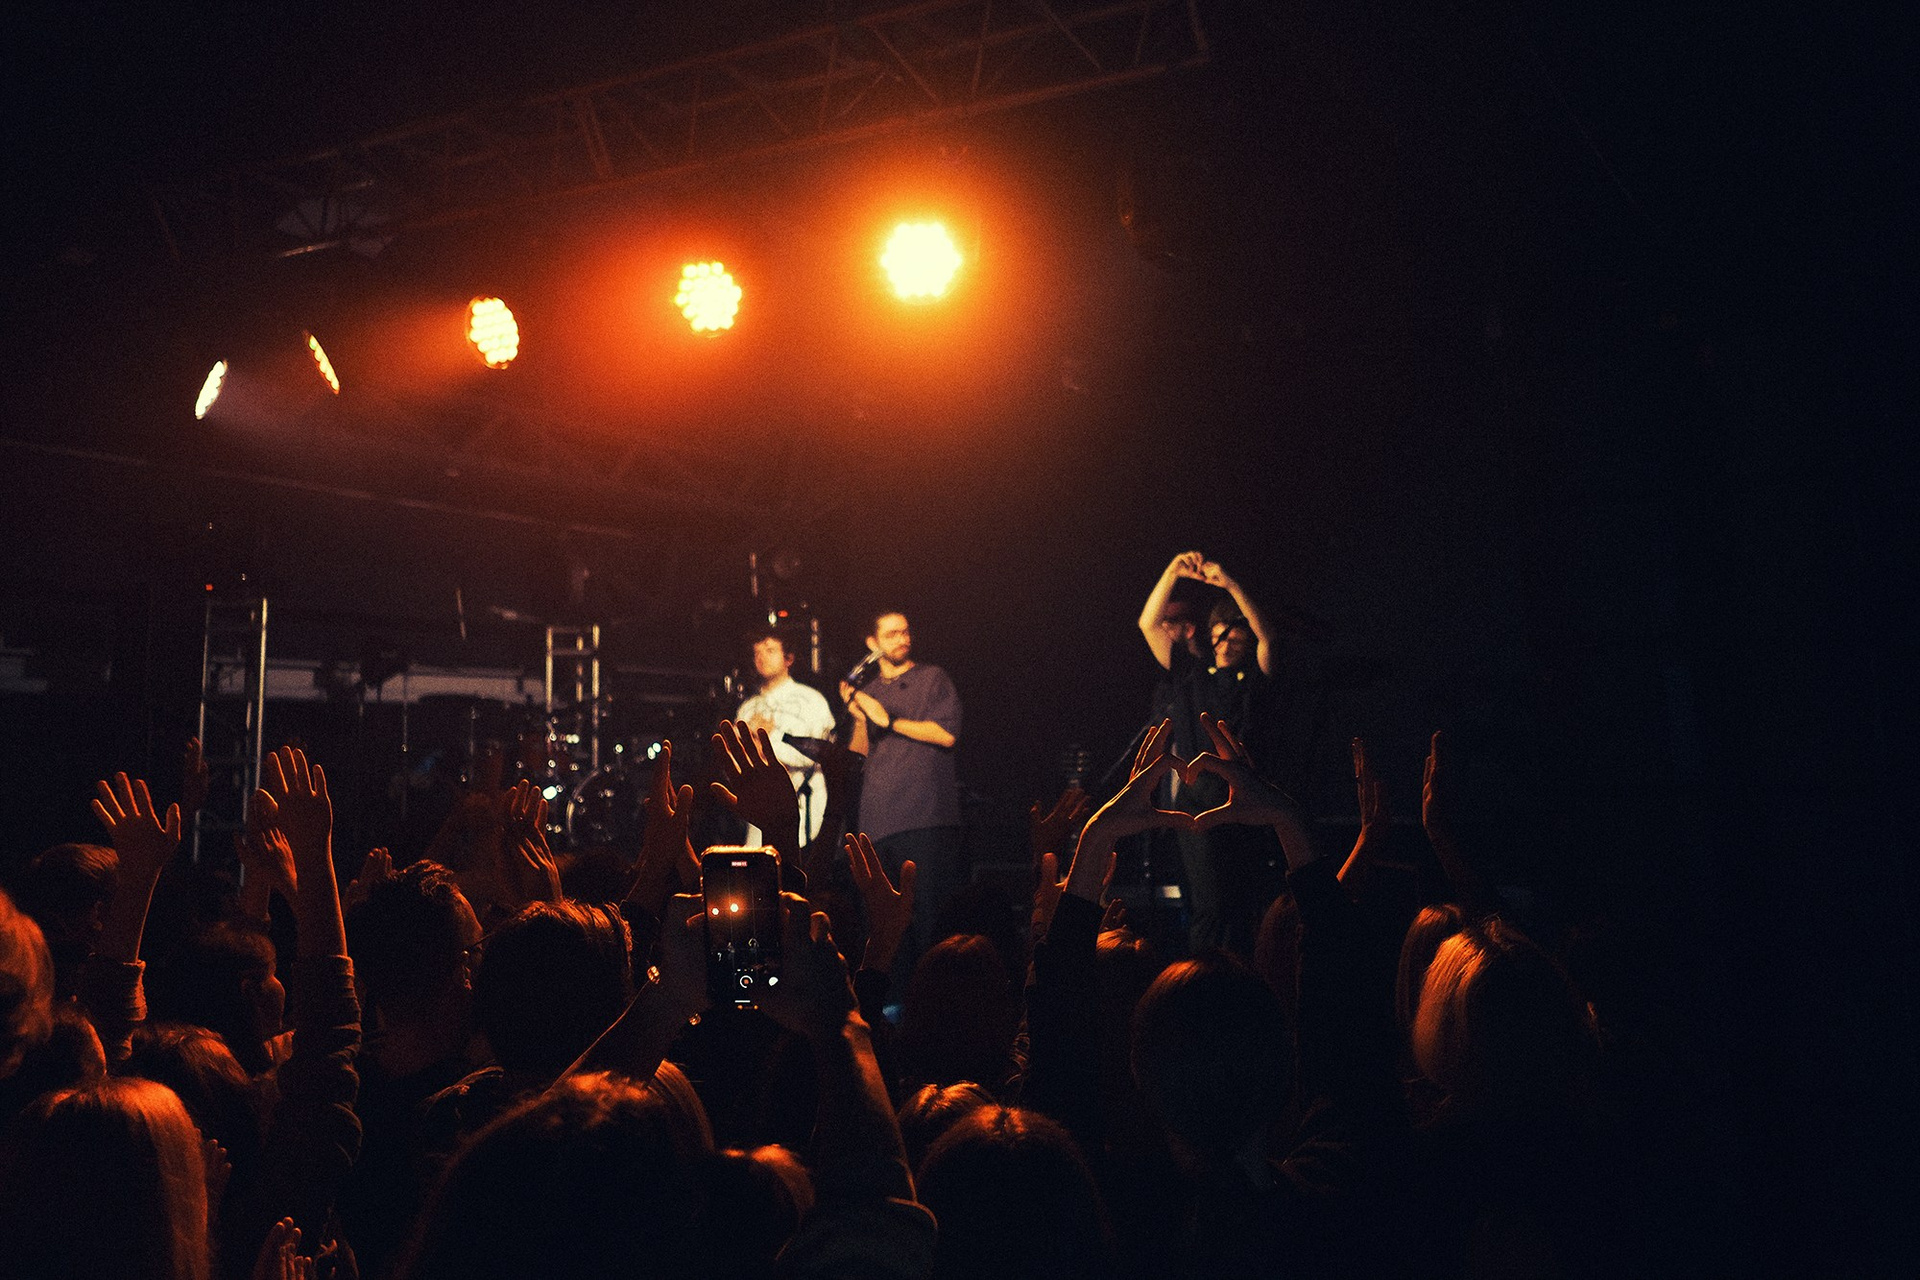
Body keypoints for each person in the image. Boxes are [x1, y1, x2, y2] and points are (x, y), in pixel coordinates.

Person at [1137, 553, 1284, 953]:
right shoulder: (1192, 673)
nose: (1226, 644)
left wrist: (1231, 584)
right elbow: (1148, 624)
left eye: (1235, 637)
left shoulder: (1254, 678)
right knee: (1209, 905)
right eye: (1220, 635)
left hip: (1244, 797)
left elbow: (1269, 638)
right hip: (1197, 800)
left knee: (1244, 903)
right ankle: (1205, 975)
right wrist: (1172, 571)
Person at [839, 611, 963, 982]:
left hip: (924, 817)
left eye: (905, 632)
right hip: (878, 822)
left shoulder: (931, 677)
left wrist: (888, 720)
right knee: (887, 927)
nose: (902, 639)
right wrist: (858, 716)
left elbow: (946, 735)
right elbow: (859, 755)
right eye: (892, 634)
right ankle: (890, 1006)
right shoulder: (870, 691)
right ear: (872, 643)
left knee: (929, 920)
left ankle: (935, 998)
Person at [736, 629, 838, 850]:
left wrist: (767, 738)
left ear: (788, 658)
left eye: (770, 650)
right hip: (761, 818)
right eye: (757, 652)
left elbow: (814, 753)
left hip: (805, 816)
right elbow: (737, 765)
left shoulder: (810, 700)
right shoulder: (747, 708)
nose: (762, 657)